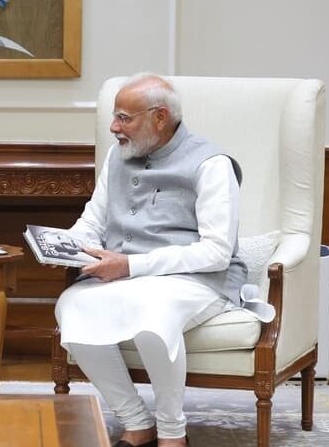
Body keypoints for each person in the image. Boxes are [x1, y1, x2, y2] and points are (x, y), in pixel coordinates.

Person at [54, 73, 248, 447]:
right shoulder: (118, 155)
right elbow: (94, 219)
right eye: (115, 117)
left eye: (124, 118)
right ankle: (135, 422)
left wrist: (129, 266)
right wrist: (63, 246)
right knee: (71, 305)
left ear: (160, 118)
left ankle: (173, 434)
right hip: (129, 278)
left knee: (152, 312)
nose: (113, 127)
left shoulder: (212, 164)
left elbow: (216, 251)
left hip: (196, 279)